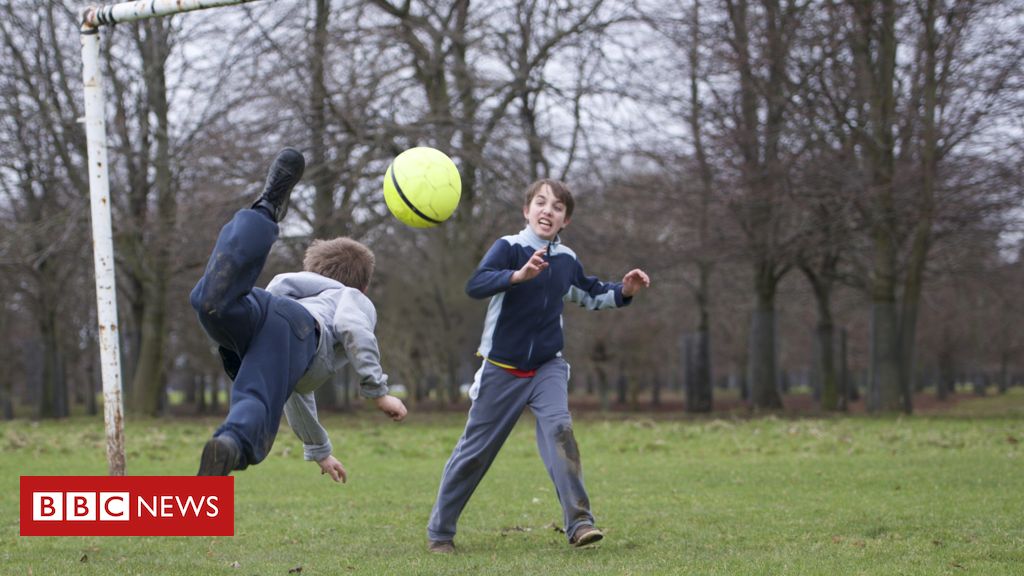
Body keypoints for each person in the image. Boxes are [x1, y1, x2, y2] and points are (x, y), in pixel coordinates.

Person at [426, 178, 651, 552]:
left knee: (560, 430)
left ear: (565, 221)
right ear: (526, 211)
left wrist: (625, 291)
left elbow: (591, 293)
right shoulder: (509, 248)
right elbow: (476, 284)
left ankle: (580, 523)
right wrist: (517, 276)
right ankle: (441, 532)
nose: (548, 210)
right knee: (475, 453)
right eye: (541, 203)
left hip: (548, 367)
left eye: (558, 207)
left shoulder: (566, 260)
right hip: (502, 367)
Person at [190, 148, 407, 481]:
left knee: (210, 301)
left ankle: (264, 211)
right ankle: (232, 442)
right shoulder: (350, 297)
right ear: (362, 287)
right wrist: (377, 392)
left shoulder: (301, 290)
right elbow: (352, 326)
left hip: (261, 310)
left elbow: (298, 395)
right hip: (295, 327)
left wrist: (320, 451)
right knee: (258, 394)